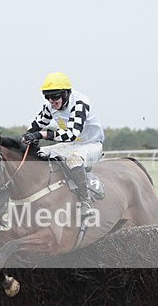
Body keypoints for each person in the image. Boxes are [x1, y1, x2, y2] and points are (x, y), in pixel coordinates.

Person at [20, 72, 105, 216]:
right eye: (47, 97)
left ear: (66, 94)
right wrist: (26, 136)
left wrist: (42, 134)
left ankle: (86, 201)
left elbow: (71, 134)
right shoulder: (50, 106)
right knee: (40, 153)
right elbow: (37, 124)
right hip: (71, 145)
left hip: (91, 144)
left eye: (54, 97)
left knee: (73, 159)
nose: (51, 101)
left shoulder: (80, 104)